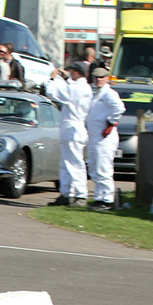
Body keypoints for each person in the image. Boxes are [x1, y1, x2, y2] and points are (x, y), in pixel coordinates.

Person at [45, 60, 92, 207]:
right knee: (66, 163)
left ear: (76, 72)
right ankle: (66, 193)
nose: (70, 73)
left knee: (74, 163)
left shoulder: (75, 89)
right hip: (75, 127)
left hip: (72, 127)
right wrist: (65, 78)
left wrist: (52, 78)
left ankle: (80, 195)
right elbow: (67, 88)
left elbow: (52, 92)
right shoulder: (85, 87)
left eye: (72, 71)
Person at [84, 68, 124, 212]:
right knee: (94, 169)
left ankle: (107, 200)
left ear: (107, 78)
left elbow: (119, 108)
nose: (98, 80)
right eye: (95, 77)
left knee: (104, 169)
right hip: (95, 137)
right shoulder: (97, 94)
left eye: (101, 77)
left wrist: (111, 122)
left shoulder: (109, 93)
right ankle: (98, 197)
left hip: (105, 138)